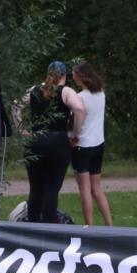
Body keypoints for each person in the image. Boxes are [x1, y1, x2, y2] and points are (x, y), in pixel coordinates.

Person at [13, 61, 85, 223]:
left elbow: (16, 105)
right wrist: (75, 133)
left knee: (36, 189)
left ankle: (32, 226)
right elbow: (79, 109)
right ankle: (49, 226)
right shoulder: (65, 91)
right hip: (58, 142)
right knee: (52, 189)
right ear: (64, 76)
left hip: (35, 141)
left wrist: (21, 129)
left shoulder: (35, 90)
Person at [71, 61, 112, 226]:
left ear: (80, 77)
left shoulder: (79, 97)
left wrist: (72, 136)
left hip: (82, 146)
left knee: (85, 190)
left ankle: (89, 227)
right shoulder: (101, 93)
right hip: (98, 144)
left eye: (74, 74)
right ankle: (110, 225)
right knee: (97, 189)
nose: (72, 77)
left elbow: (76, 122)